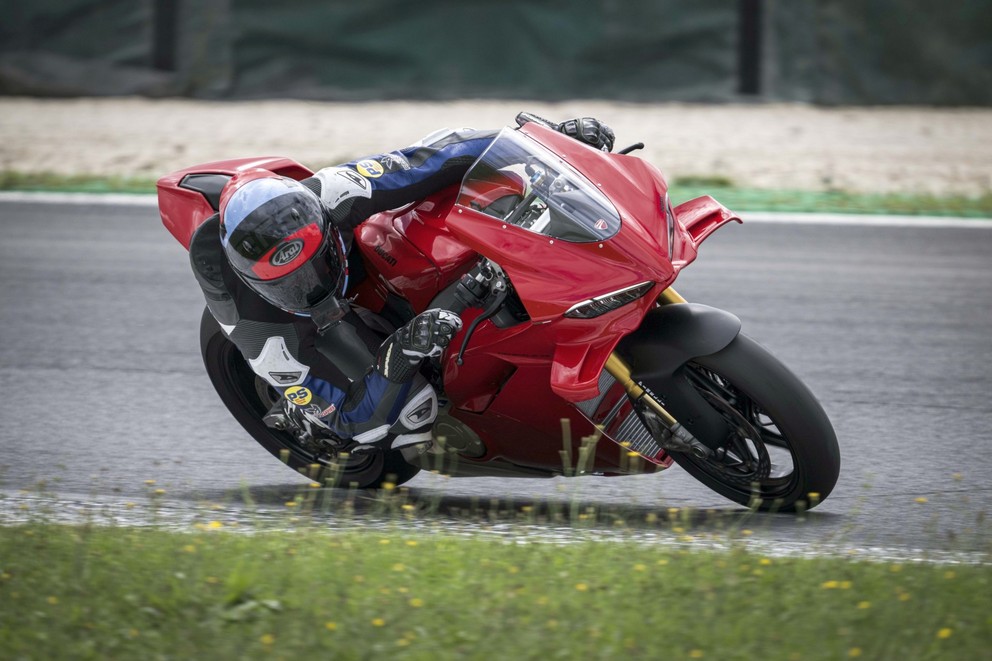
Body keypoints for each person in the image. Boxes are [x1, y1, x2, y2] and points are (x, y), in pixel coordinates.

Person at [188, 115, 615, 454]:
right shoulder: (262, 332)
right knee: (406, 418)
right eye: (290, 281)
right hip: (315, 330)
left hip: (351, 250)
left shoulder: (337, 192)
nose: (309, 283)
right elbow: (354, 419)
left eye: (314, 265)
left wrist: (551, 139)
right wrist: (399, 355)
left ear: (322, 222)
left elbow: (438, 153)